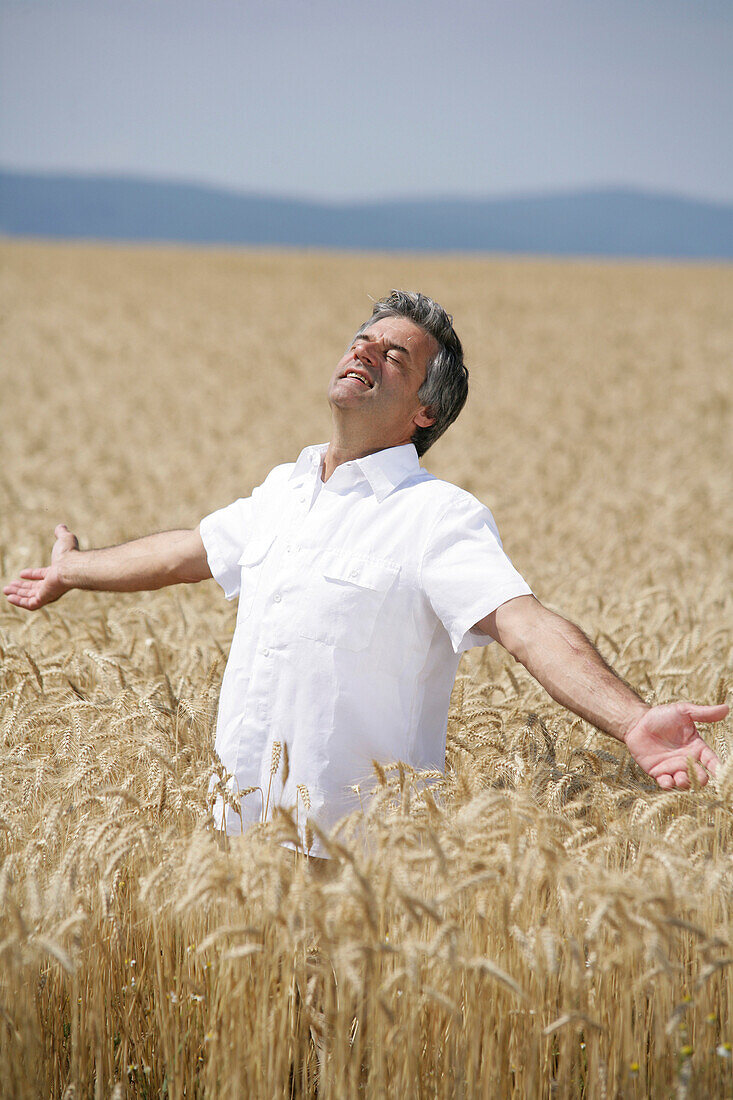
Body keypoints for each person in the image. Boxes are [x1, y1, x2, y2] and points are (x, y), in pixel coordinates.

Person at [4, 291, 727, 857]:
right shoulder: (284, 490)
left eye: (393, 356)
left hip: (358, 864)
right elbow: (188, 551)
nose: (365, 353)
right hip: (235, 843)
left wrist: (631, 719)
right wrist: (75, 569)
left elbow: (523, 624)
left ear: (422, 411)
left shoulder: (436, 517)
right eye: (362, 341)